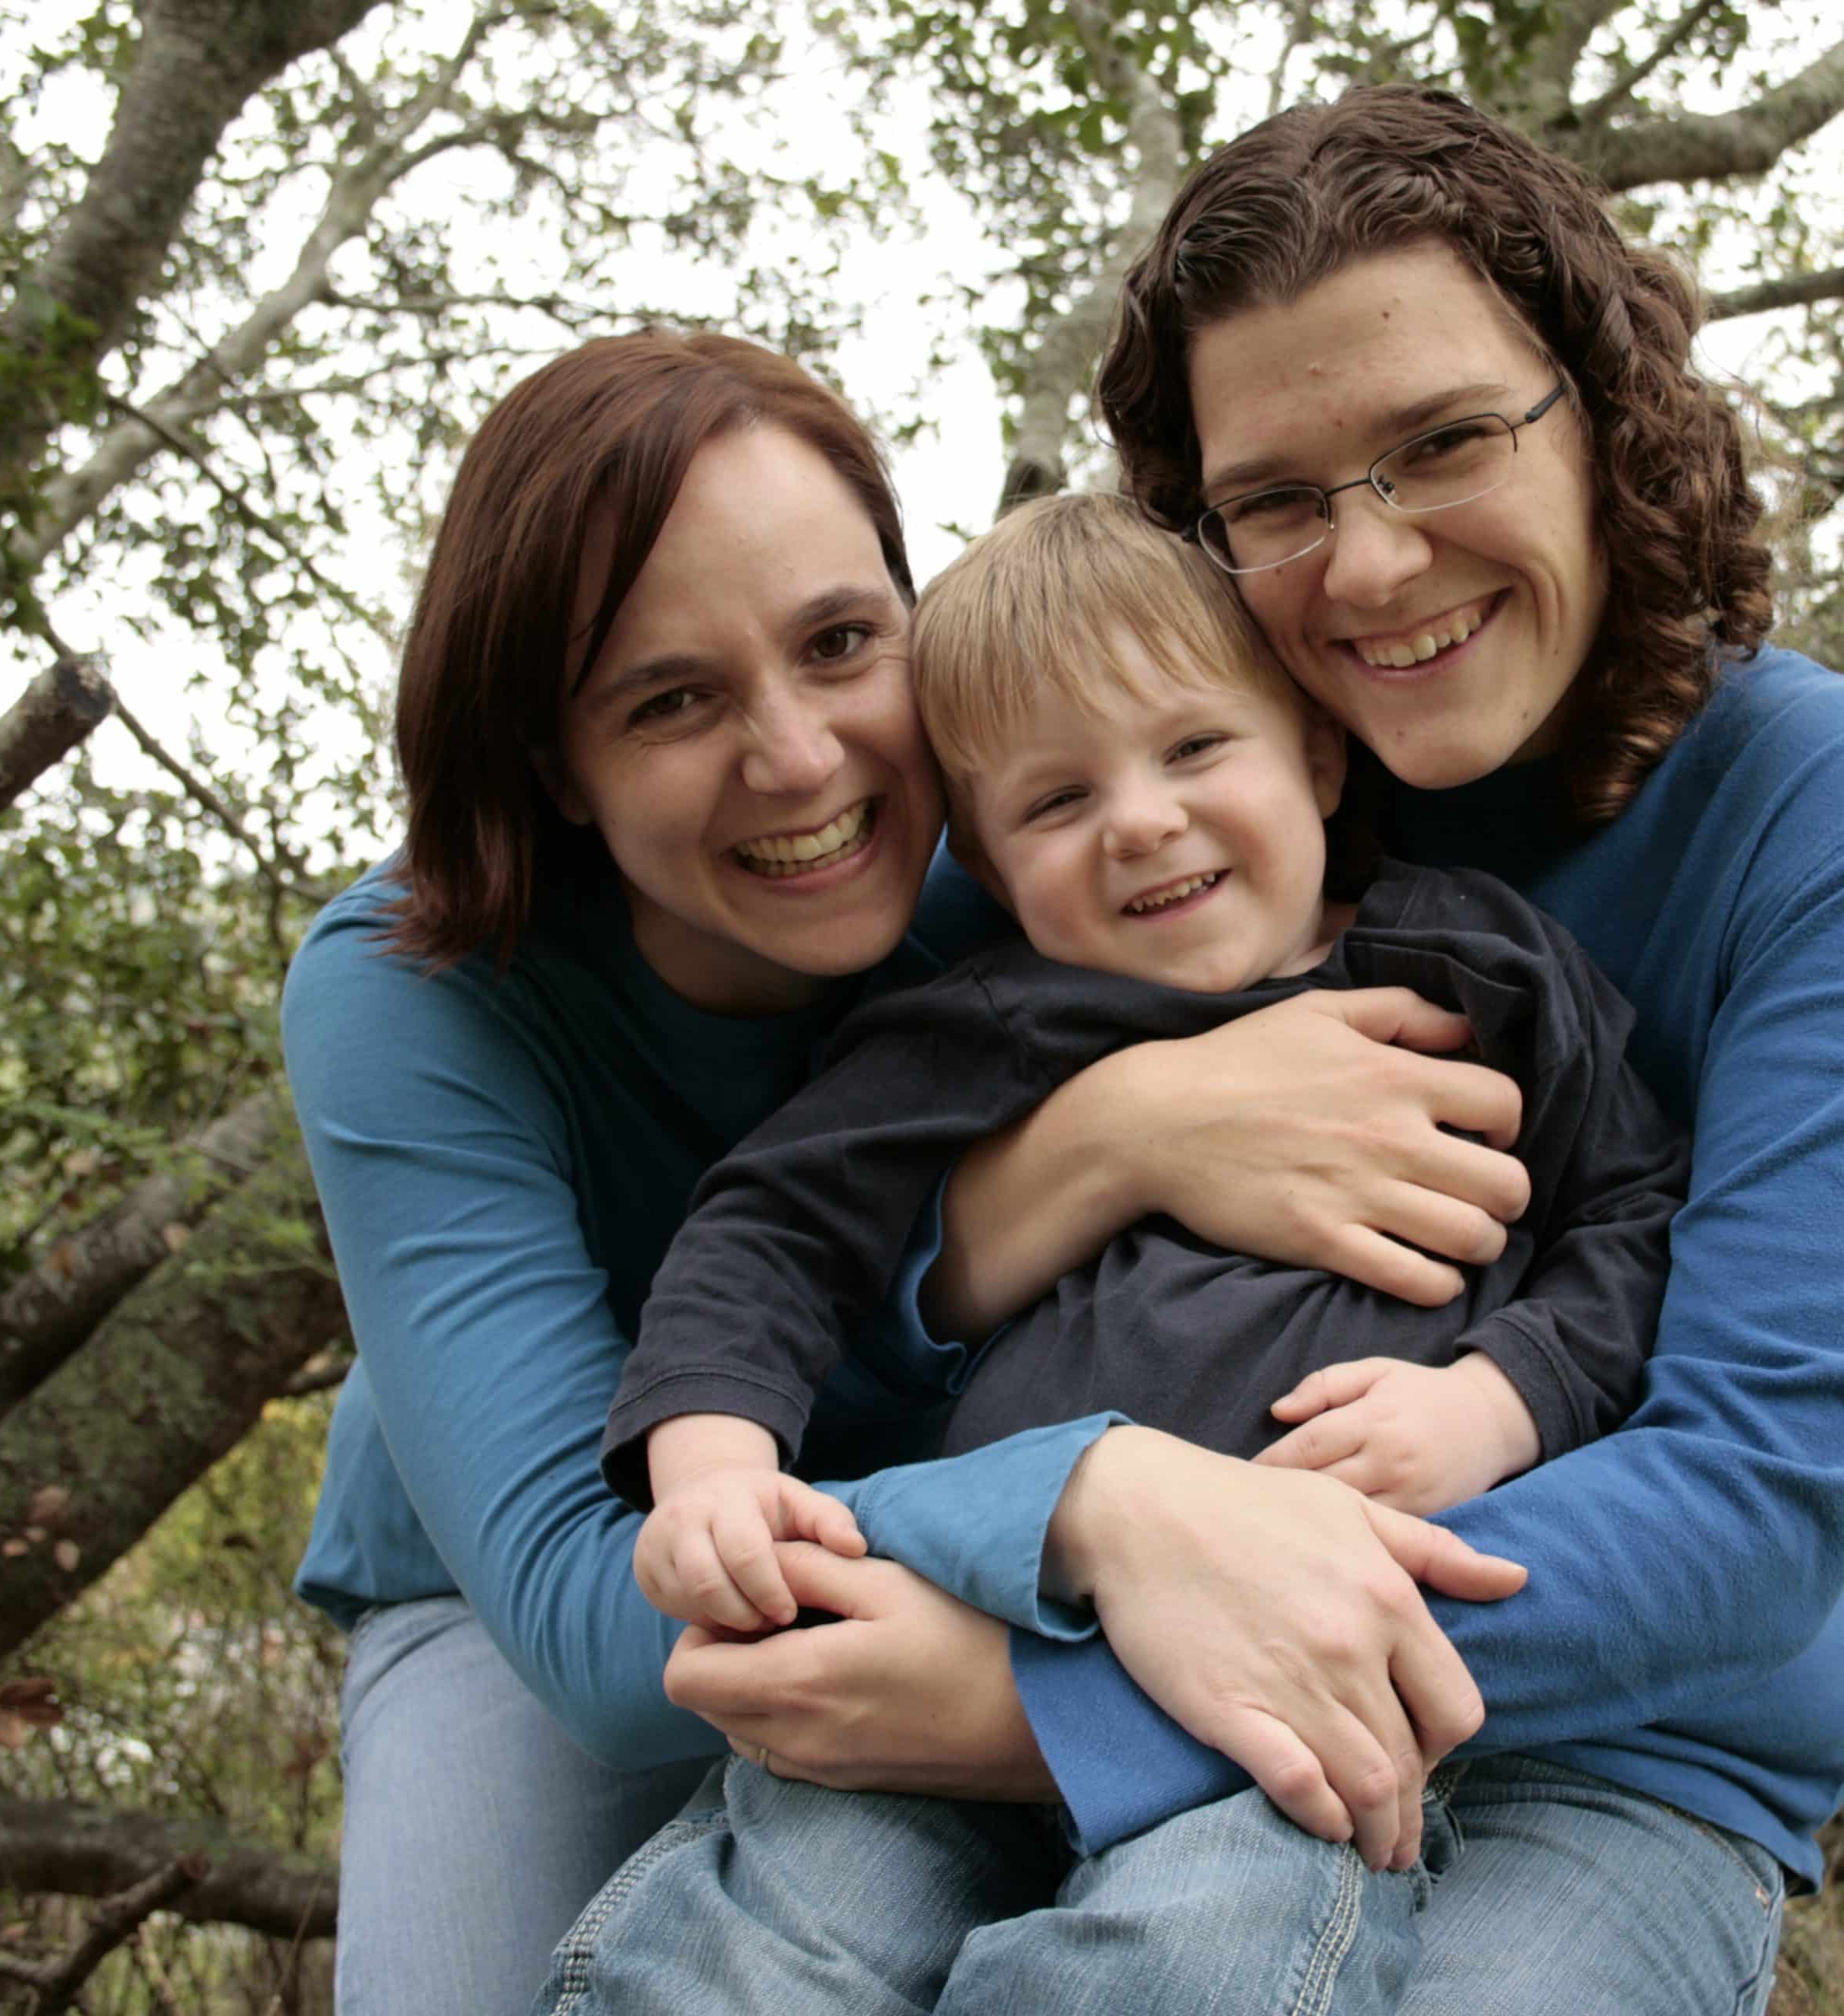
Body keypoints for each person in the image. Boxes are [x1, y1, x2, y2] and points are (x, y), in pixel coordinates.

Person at [551, 82, 1844, 2016]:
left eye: (1445, 442)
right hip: (1085, 1593)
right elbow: (832, 1280)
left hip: (1606, 1732)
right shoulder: (1103, 826)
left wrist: (1045, 1698)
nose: (1375, 566)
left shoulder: (1837, 811)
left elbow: (1756, 1496)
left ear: (1601, 410)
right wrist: (1119, 1144)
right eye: (1282, 500)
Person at [284, 331, 1540, 2014]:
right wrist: (1092, 1461)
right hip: (574, 1579)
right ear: (546, 760)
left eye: (840, 644)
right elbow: (603, 1632)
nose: (801, 761)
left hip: (956, 1492)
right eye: (670, 699)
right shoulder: (410, 986)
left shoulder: (1034, 849)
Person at [569, 492, 1687, 2014]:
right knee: (763, 1941)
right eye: (1056, 802)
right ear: (988, 862)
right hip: (965, 1614)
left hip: (1281, 1667)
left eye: (1193, 749)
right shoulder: (984, 1024)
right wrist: (712, 1471)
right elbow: (768, 1230)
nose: (1142, 820)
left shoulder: (1479, 973)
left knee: (1204, 1951)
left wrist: (1499, 1401)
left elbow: (1634, 1219)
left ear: (1314, 746)